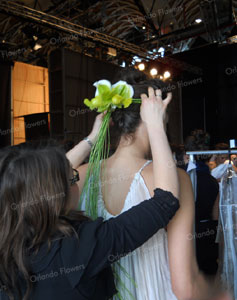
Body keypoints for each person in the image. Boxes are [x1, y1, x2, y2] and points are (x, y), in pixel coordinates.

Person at [0, 90, 180, 300]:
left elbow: (41, 181)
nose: (77, 180)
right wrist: (156, 125)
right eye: (72, 179)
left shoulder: (10, 243)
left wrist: (92, 139)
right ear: (54, 195)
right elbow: (166, 201)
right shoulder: (80, 247)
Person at [68, 70, 229, 300]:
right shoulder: (175, 180)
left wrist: (92, 138)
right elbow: (185, 288)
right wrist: (221, 293)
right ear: (154, 117)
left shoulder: (80, 176)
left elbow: (42, 183)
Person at [185, 129, 220, 275]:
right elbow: (216, 213)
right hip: (209, 232)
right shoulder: (213, 181)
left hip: (188, 232)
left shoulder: (184, 178)